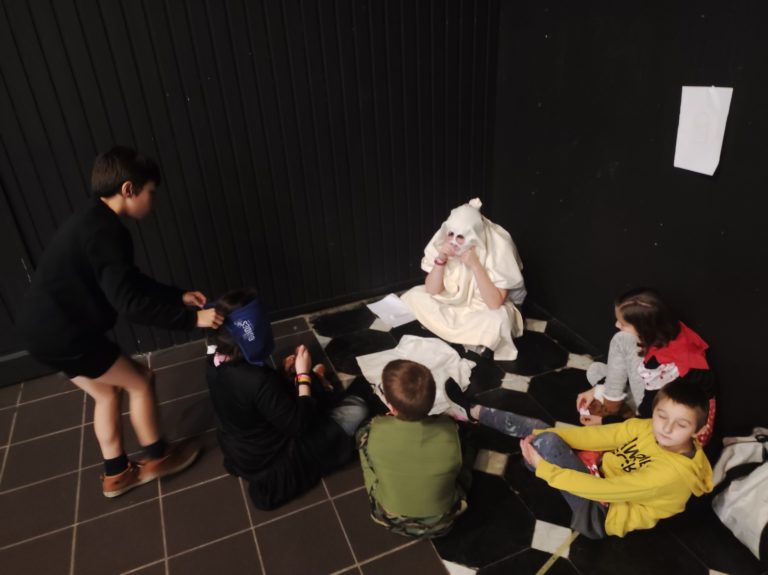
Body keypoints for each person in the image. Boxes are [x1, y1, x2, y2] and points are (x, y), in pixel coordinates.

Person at [17, 146, 222, 497]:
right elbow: (131, 305)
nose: (153, 201)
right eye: (151, 192)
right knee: (141, 380)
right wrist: (193, 320)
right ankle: (159, 458)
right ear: (129, 189)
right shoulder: (108, 233)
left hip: (40, 332)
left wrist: (177, 296)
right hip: (66, 335)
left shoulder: (93, 220)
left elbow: (129, 282)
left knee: (107, 392)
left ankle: (117, 474)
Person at [206, 289, 368, 510]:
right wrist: (302, 374)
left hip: (242, 449)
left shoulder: (214, 361)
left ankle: (319, 382)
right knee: (357, 408)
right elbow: (299, 426)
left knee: (316, 391)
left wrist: (282, 373)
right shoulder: (258, 380)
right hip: (275, 458)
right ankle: (320, 383)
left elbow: (252, 399)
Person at [518, 378, 714, 538]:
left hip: (604, 514)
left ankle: (533, 458)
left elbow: (605, 489)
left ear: (699, 431)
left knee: (548, 444)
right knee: (547, 437)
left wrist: (545, 469)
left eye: (681, 425)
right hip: (601, 473)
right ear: (654, 411)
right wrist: (541, 433)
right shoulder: (647, 427)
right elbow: (597, 436)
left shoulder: (671, 475)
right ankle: (533, 443)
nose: (667, 428)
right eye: (662, 416)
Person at [575, 288, 716, 445]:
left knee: (617, 345)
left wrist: (604, 421)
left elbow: (646, 417)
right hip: (663, 392)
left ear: (643, 329)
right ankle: (612, 398)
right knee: (595, 370)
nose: (617, 325)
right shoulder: (665, 330)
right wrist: (597, 388)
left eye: (623, 323)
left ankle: (614, 409)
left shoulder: (661, 366)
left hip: (662, 408)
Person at [357, 360, 472, 538]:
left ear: (391, 406)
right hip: (442, 521)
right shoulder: (452, 430)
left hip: (389, 517)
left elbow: (366, 450)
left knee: (366, 448)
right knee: (464, 455)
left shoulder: (372, 429)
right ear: (432, 401)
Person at [400, 198, 526, 360]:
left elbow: (494, 303)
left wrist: (476, 265)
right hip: (452, 303)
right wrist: (441, 258)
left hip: (482, 309)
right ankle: (466, 336)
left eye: (460, 236)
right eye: (450, 234)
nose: (453, 241)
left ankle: (453, 331)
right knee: (415, 296)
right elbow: (432, 290)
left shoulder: (498, 251)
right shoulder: (443, 245)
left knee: (498, 321)